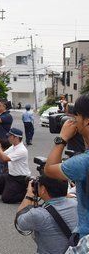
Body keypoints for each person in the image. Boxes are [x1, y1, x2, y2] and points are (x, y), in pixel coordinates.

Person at [44, 93, 89, 243]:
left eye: (77, 117)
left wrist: (62, 139)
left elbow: (49, 170)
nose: (74, 120)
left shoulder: (83, 162)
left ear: (87, 121)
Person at [15, 176, 78, 254]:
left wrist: (29, 194)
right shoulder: (77, 204)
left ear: (43, 189)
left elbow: (20, 222)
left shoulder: (38, 214)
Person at [0, 128, 31, 203]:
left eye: (10, 136)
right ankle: (9, 189)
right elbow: (1, 156)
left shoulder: (22, 150)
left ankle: (28, 193)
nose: (8, 138)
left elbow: (4, 159)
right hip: (10, 175)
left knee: (6, 199)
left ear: (16, 138)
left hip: (20, 178)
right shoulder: (13, 146)